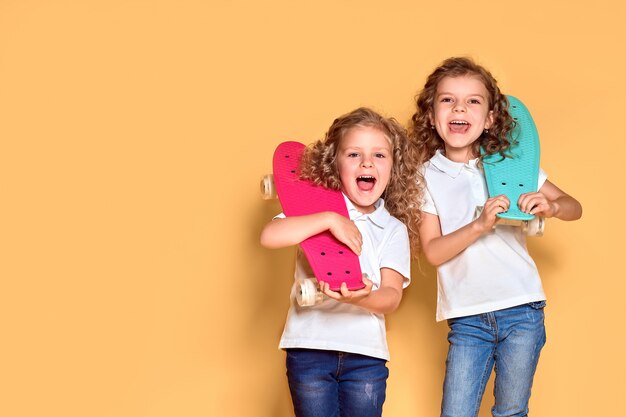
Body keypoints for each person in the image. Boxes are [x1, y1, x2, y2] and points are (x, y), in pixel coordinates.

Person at [409, 57, 582, 417]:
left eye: (473, 101)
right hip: (468, 317)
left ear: (489, 119)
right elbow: (433, 252)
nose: (459, 107)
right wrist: (478, 225)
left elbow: (573, 205)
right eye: (447, 100)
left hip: (522, 308)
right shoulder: (425, 177)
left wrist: (550, 208)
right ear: (430, 114)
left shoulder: (510, 162)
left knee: (511, 412)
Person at [260, 107, 422, 417]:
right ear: (335, 164)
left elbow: (391, 297)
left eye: (379, 155)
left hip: (366, 355)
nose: (366, 163)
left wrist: (362, 298)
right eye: (353, 155)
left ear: (394, 167)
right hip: (309, 347)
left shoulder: (393, 229)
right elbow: (270, 235)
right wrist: (329, 219)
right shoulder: (316, 210)